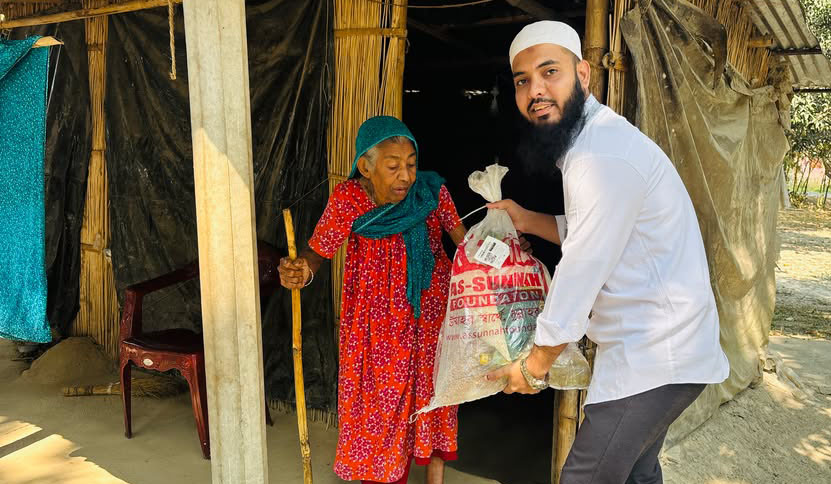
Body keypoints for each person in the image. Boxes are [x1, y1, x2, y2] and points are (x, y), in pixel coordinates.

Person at [485, 21, 730, 483]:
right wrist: (525, 218)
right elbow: (592, 233)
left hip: (655, 355)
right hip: (661, 352)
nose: (536, 90)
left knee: (586, 477)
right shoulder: (591, 144)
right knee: (637, 473)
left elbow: (582, 266)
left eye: (549, 72)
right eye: (523, 81)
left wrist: (535, 365)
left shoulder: (601, 156)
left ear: (582, 75)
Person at [279, 116, 466, 484]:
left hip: (430, 318)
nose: (406, 176)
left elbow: (464, 242)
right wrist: (303, 270)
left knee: (433, 398)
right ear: (365, 166)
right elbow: (319, 251)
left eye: (411, 164)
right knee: (378, 407)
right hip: (377, 325)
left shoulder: (431, 191)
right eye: (393, 166)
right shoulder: (348, 199)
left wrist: (500, 247)